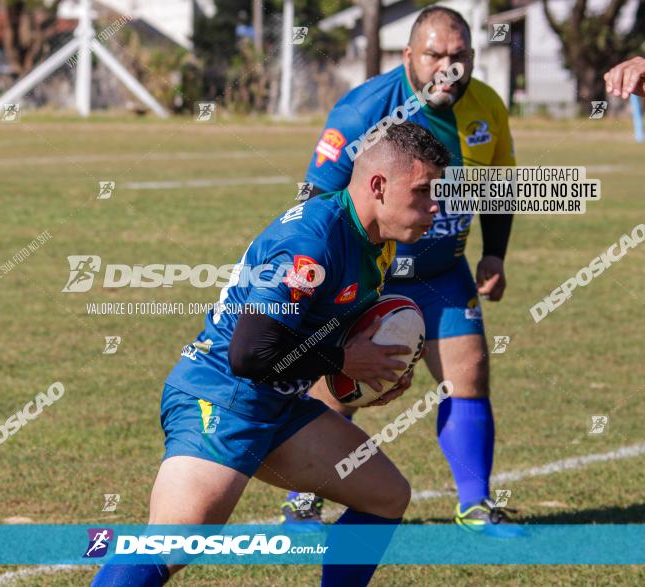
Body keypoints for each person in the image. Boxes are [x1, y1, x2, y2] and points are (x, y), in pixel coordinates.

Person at [91, 122, 450, 586]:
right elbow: (250, 352)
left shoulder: (378, 243)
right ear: (378, 186)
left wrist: (367, 377)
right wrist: (343, 363)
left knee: (385, 495)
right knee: (172, 545)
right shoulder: (311, 245)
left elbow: (324, 333)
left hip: (278, 404)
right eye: (423, 191)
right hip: (221, 397)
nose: (434, 205)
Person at [284, 6, 519, 536]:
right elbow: (315, 198)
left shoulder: (488, 108)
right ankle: (303, 499)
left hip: (444, 271)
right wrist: (326, 282)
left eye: (459, 56)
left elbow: (500, 188)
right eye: (435, 55)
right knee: (340, 386)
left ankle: (476, 504)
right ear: (408, 55)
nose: (448, 67)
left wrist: (495, 254)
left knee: (470, 377)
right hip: (371, 276)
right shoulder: (363, 109)